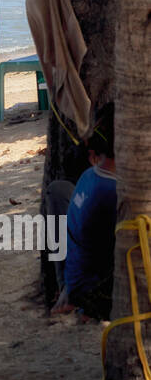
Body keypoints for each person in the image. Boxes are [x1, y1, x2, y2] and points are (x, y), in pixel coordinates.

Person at [46, 105, 117, 319]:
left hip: (75, 279)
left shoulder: (89, 176)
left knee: (59, 191)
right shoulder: (113, 191)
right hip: (93, 294)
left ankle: (64, 291)